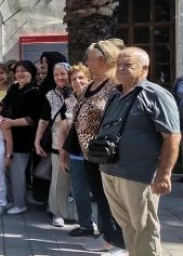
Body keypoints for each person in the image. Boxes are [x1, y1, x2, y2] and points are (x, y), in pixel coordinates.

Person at [98, 47, 180, 256]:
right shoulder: (115, 94)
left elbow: (172, 137)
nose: (121, 68)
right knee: (128, 227)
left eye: (128, 65)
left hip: (139, 176)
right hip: (110, 171)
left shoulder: (156, 95)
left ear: (144, 69)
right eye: (119, 64)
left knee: (144, 228)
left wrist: (164, 174)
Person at [75, 40, 126, 254]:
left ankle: (120, 242)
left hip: (105, 153)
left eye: (90, 59)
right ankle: (107, 237)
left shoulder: (116, 85)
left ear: (102, 60)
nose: (87, 63)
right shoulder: (91, 85)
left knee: (112, 200)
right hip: (87, 154)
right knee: (100, 197)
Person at [34, 62, 77, 227]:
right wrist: (37, 142)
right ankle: (57, 212)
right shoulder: (50, 95)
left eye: (63, 74)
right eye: (56, 75)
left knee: (78, 182)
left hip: (79, 144)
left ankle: (77, 214)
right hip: (57, 144)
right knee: (59, 180)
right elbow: (44, 120)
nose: (59, 77)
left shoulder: (79, 91)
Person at [0, 60, 42, 215]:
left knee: (17, 171)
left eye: (24, 70)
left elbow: (34, 117)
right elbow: (3, 105)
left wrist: (12, 122)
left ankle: (20, 204)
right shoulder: (14, 88)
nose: (20, 73)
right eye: (18, 70)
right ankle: (12, 200)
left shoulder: (35, 91)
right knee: (8, 169)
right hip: (8, 134)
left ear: (31, 72)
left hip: (24, 137)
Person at [60, 63, 95, 237]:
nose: (77, 81)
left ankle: (108, 231)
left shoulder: (97, 98)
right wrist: (63, 152)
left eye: (81, 77)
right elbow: (65, 129)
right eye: (73, 79)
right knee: (79, 191)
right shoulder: (70, 101)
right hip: (76, 153)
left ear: (89, 79)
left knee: (101, 194)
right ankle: (86, 225)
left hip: (96, 154)